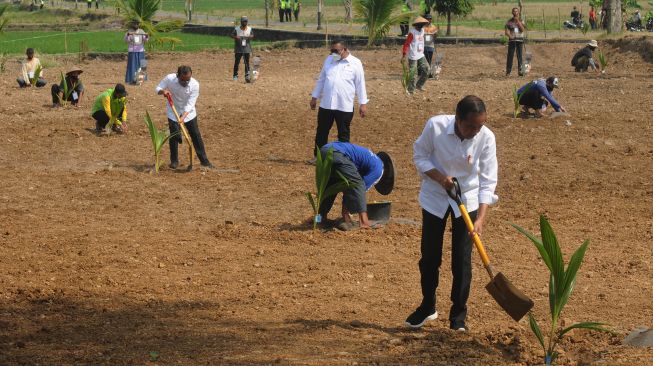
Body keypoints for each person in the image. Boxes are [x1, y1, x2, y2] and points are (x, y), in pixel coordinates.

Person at [406, 95, 498, 331]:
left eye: (480, 126)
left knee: (462, 262)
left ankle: (458, 316)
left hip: (467, 199)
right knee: (429, 257)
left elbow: (488, 180)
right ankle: (428, 306)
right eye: (470, 126)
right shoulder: (435, 126)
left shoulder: (486, 137)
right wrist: (440, 178)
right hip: (435, 197)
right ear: (457, 119)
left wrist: (480, 219)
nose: (475, 131)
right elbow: (420, 155)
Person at [310, 40, 368, 157]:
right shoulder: (329, 60)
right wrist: (314, 96)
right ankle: (319, 158)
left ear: (344, 49)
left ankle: (343, 159)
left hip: (344, 105)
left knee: (343, 134)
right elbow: (321, 79)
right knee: (321, 131)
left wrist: (363, 103)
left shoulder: (355, 63)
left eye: (335, 51)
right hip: (326, 104)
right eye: (331, 50)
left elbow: (360, 84)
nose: (333, 53)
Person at [318, 142, 394, 230]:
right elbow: (357, 187)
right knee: (359, 184)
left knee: (331, 187)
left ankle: (318, 219)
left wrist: (345, 214)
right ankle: (364, 222)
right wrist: (345, 213)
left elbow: (349, 187)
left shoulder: (370, 160)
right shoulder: (379, 170)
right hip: (337, 153)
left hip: (324, 150)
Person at [156, 65, 214, 170]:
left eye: (188, 80)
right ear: (178, 76)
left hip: (189, 114)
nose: (186, 82)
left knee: (196, 135)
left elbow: (191, 103)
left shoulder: (195, 84)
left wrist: (183, 117)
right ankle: (174, 161)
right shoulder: (169, 78)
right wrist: (163, 92)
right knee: (174, 135)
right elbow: (158, 88)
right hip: (173, 111)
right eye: (183, 80)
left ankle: (204, 161)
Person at [402, 17, 430, 94]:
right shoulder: (412, 32)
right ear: (417, 24)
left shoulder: (422, 31)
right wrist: (404, 54)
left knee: (427, 69)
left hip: (421, 54)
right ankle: (411, 90)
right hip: (413, 56)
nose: (422, 26)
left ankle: (419, 85)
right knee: (413, 74)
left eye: (423, 24)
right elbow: (407, 44)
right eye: (421, 24)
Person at [231, 16, 254, 82]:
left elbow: (252, 35)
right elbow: (232, 35)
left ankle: (247, 75)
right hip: (238, 48)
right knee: (237, 62)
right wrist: (236, 37)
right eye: (244, 21)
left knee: (247, 62)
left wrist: (250, 36)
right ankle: (235, 75)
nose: (245, 22)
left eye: (246, 21)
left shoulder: (249, 29)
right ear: (241, 22)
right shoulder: (237, 29)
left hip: (246, 48)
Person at [505, 7, 525, 76]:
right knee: (510, 56)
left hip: (519, 40)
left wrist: (518, 22)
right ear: (512, 12)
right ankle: (508, 72)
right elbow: (506, 32)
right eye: (514, 11)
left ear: (518, 12)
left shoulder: (521, 20)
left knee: (519, 56)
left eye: (516, 11)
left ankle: (521, 71)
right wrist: (510, 36)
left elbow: (522, 29)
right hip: (512, 41)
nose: (515, 12)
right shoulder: (509, 21)